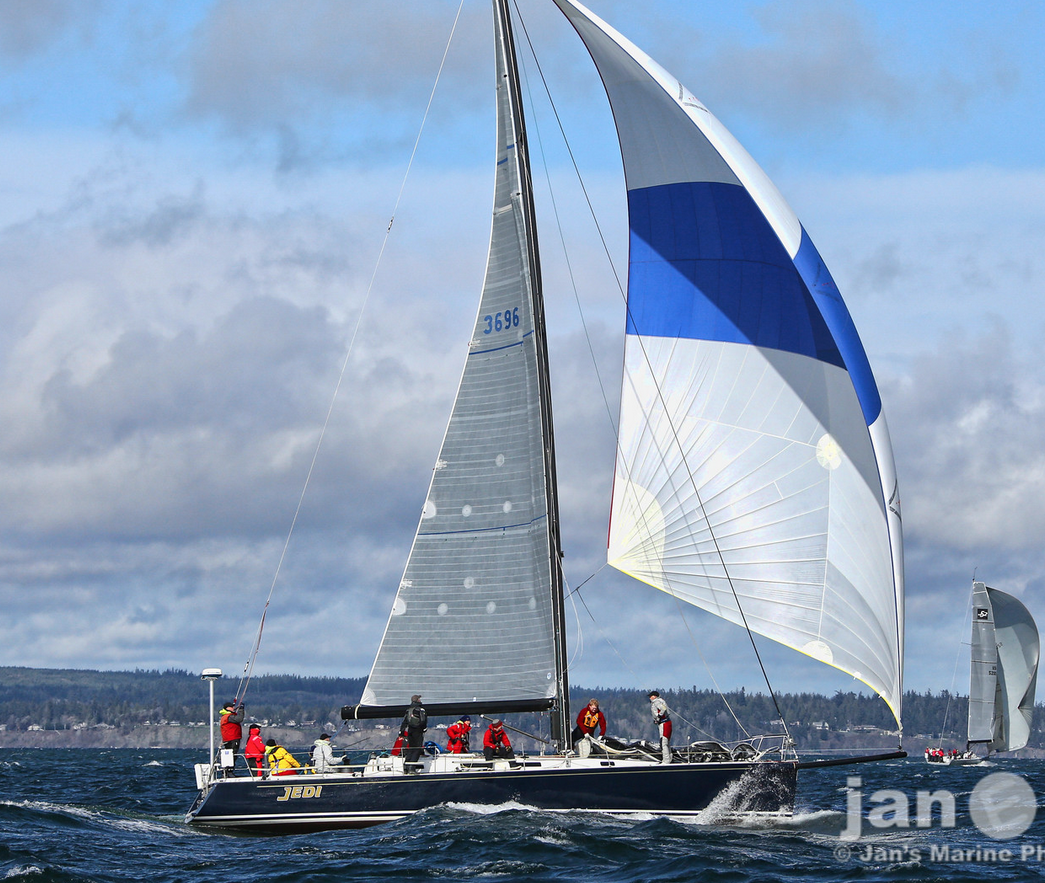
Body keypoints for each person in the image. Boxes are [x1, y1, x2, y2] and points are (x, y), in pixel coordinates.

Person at [400, 694, 427, 765]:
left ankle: (406, 766)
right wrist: (424, 728)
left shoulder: (408, 710)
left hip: (410, 730)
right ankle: (412, 767)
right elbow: (423, 721)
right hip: (418, 731)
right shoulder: (420, 710)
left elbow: (404, 722)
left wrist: (402, 732)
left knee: (411, 748)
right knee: (417, 748)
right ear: (418, 700)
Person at [648, 690, 671, 764]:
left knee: (663, 742)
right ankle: (669, 758)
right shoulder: (660, 701)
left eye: (651, 696)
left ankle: (666, 760)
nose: (650, 698)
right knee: (665, 742)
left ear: (654, 696)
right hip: (665, 723)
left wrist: (659, 717)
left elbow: (663, 708)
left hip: (664, 723)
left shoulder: (656, 702)